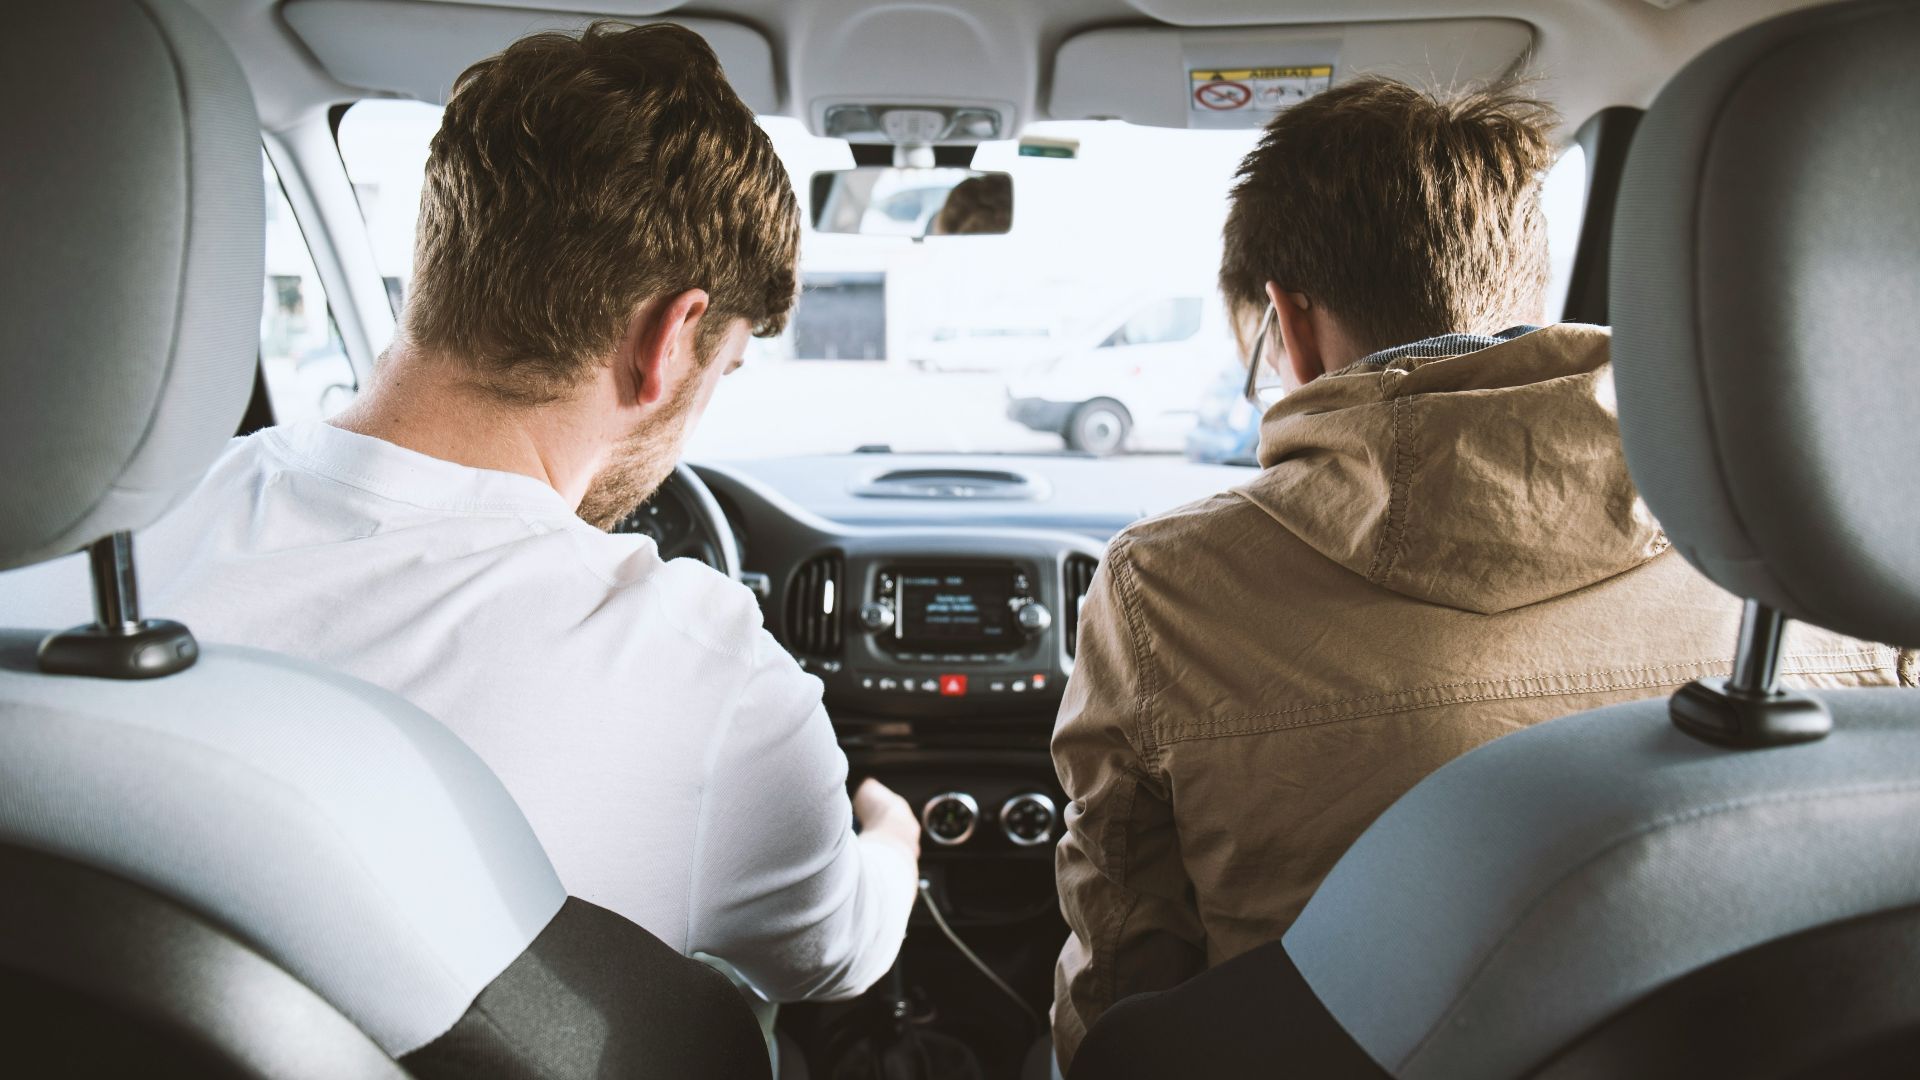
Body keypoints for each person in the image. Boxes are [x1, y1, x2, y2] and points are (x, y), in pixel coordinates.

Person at [0, 23, 920, 1005]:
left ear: (444, 259)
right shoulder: (715, 680)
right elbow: (833, 957)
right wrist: (893, 837)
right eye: (721, 371)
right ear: (669, 338)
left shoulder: (54, 559)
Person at [1048, 76, 1913, 1069]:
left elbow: (1123, 966)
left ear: (1290, 321)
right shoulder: (1837, 558)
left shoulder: (1165, 586)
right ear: (1527, 297)